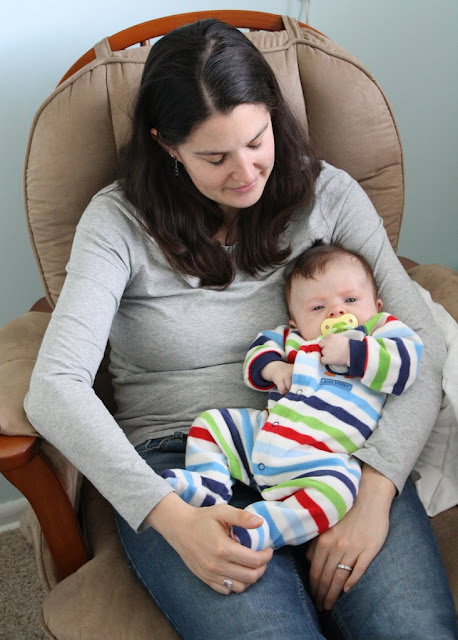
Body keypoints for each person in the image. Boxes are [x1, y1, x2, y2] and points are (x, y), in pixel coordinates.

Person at [24, 18, 456, 640]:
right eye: (215, 156)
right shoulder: (116, 222)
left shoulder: (329, 195)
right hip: (187, 454)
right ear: (167, 145)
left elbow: (423, 341)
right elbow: (54, 387)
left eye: (257, 140)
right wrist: (172, 519)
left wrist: (376, 490)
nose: (246, 171)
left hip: (333, 442)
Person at [162, 243, 424, 550]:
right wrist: (274, 368)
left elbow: (406, 365)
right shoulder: (292, 339)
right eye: (317, 308)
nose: (336, 311)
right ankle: (210, 484)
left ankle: (265, 526)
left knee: (339, 491)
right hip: (263, 437)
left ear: (377, 306)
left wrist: (352, 352)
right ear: (295, 321)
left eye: (351, 300)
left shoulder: (380, 333)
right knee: (212, 423)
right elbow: (258, 352)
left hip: (321, 459)